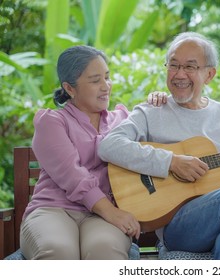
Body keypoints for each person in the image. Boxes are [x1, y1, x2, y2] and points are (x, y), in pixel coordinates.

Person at [98, 32, 220, 260]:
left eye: (190, 67)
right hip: (179, 228)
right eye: (174, 65)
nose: (179, 74)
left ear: (209, 74)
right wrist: (171, 162)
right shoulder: (151, 112)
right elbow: (109, 145)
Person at [20, 45, 166, 260]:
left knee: (105, 252)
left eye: (107, 77)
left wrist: (160, 102)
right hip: (54, 209)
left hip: (102, 219)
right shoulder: (52, 122)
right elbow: (72, 175)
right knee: (58, 251)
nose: (106, 86)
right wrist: (112, 212)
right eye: (95, 80)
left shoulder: (122, 119)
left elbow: (159, 148)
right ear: (70, 88)